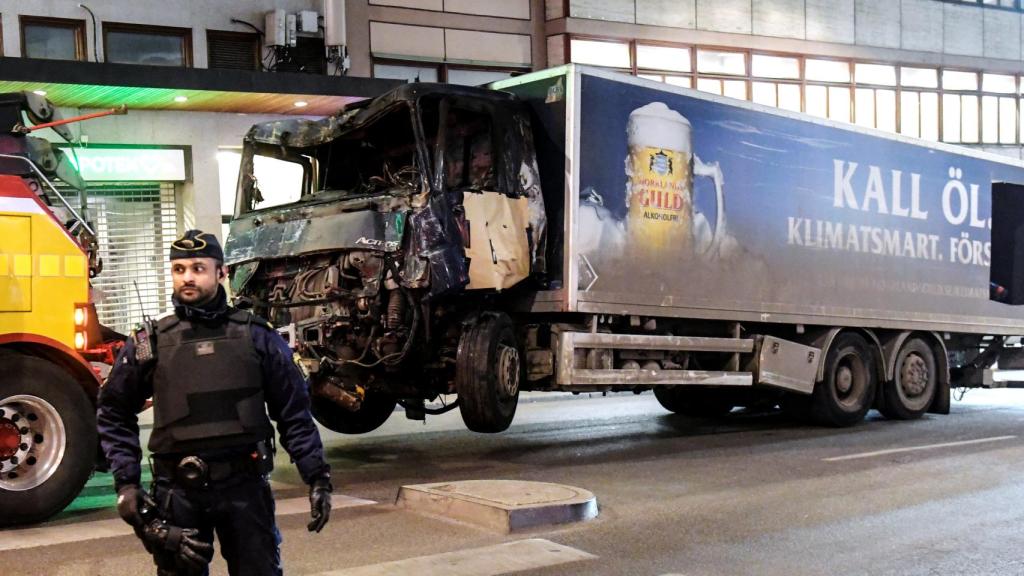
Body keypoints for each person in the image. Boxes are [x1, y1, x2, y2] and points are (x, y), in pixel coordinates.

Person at [97, 229, 333, 576]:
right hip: (178, 494)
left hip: (244, 489)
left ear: (221, 273)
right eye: (179, 269)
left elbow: (293, 412)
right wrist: (127, 484)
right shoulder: (150, 342)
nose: (187, 277)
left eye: (197, 268)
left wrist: (317, 477)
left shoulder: (257, 336)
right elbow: (114, 410)